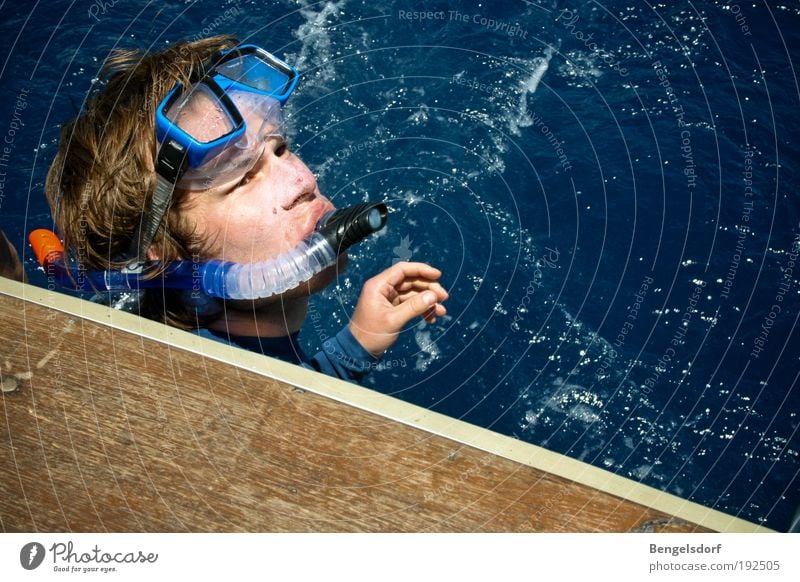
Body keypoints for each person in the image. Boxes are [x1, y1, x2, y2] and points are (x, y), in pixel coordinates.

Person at [44, 35, 448, 382]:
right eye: (242, 177)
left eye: (281, 148)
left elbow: (290, 394)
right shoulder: (193, 384)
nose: (303, 181)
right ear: (168, 257)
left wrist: (357, 343)